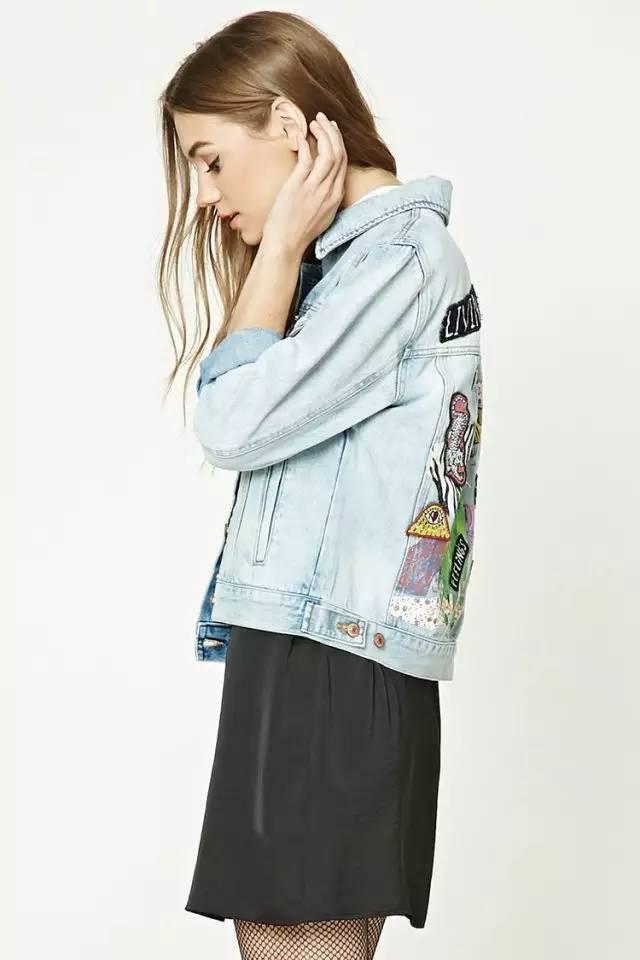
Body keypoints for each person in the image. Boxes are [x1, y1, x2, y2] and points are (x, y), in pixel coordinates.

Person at [156, 11, 483, 960]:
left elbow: (231, 423)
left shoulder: (399, 262)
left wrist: (279, 250)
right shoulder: (348, 272)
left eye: (212, 161)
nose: (206, 195)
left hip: (334, 657)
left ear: (290, 126)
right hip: (309, 649)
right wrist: (289, 253)